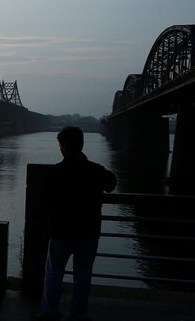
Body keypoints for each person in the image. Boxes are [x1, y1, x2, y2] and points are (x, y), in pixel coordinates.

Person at [35, 127, 117, 321]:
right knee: (82, 276)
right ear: (81, 145)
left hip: (61, 231)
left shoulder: (56, 171)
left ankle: (50, 313)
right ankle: (77, 315)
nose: (59, 148)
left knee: (54, 273)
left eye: (60, 144)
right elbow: (111, 185)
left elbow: (45, 202)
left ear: (64, 146)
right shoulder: (96, 170)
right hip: (88, 233)